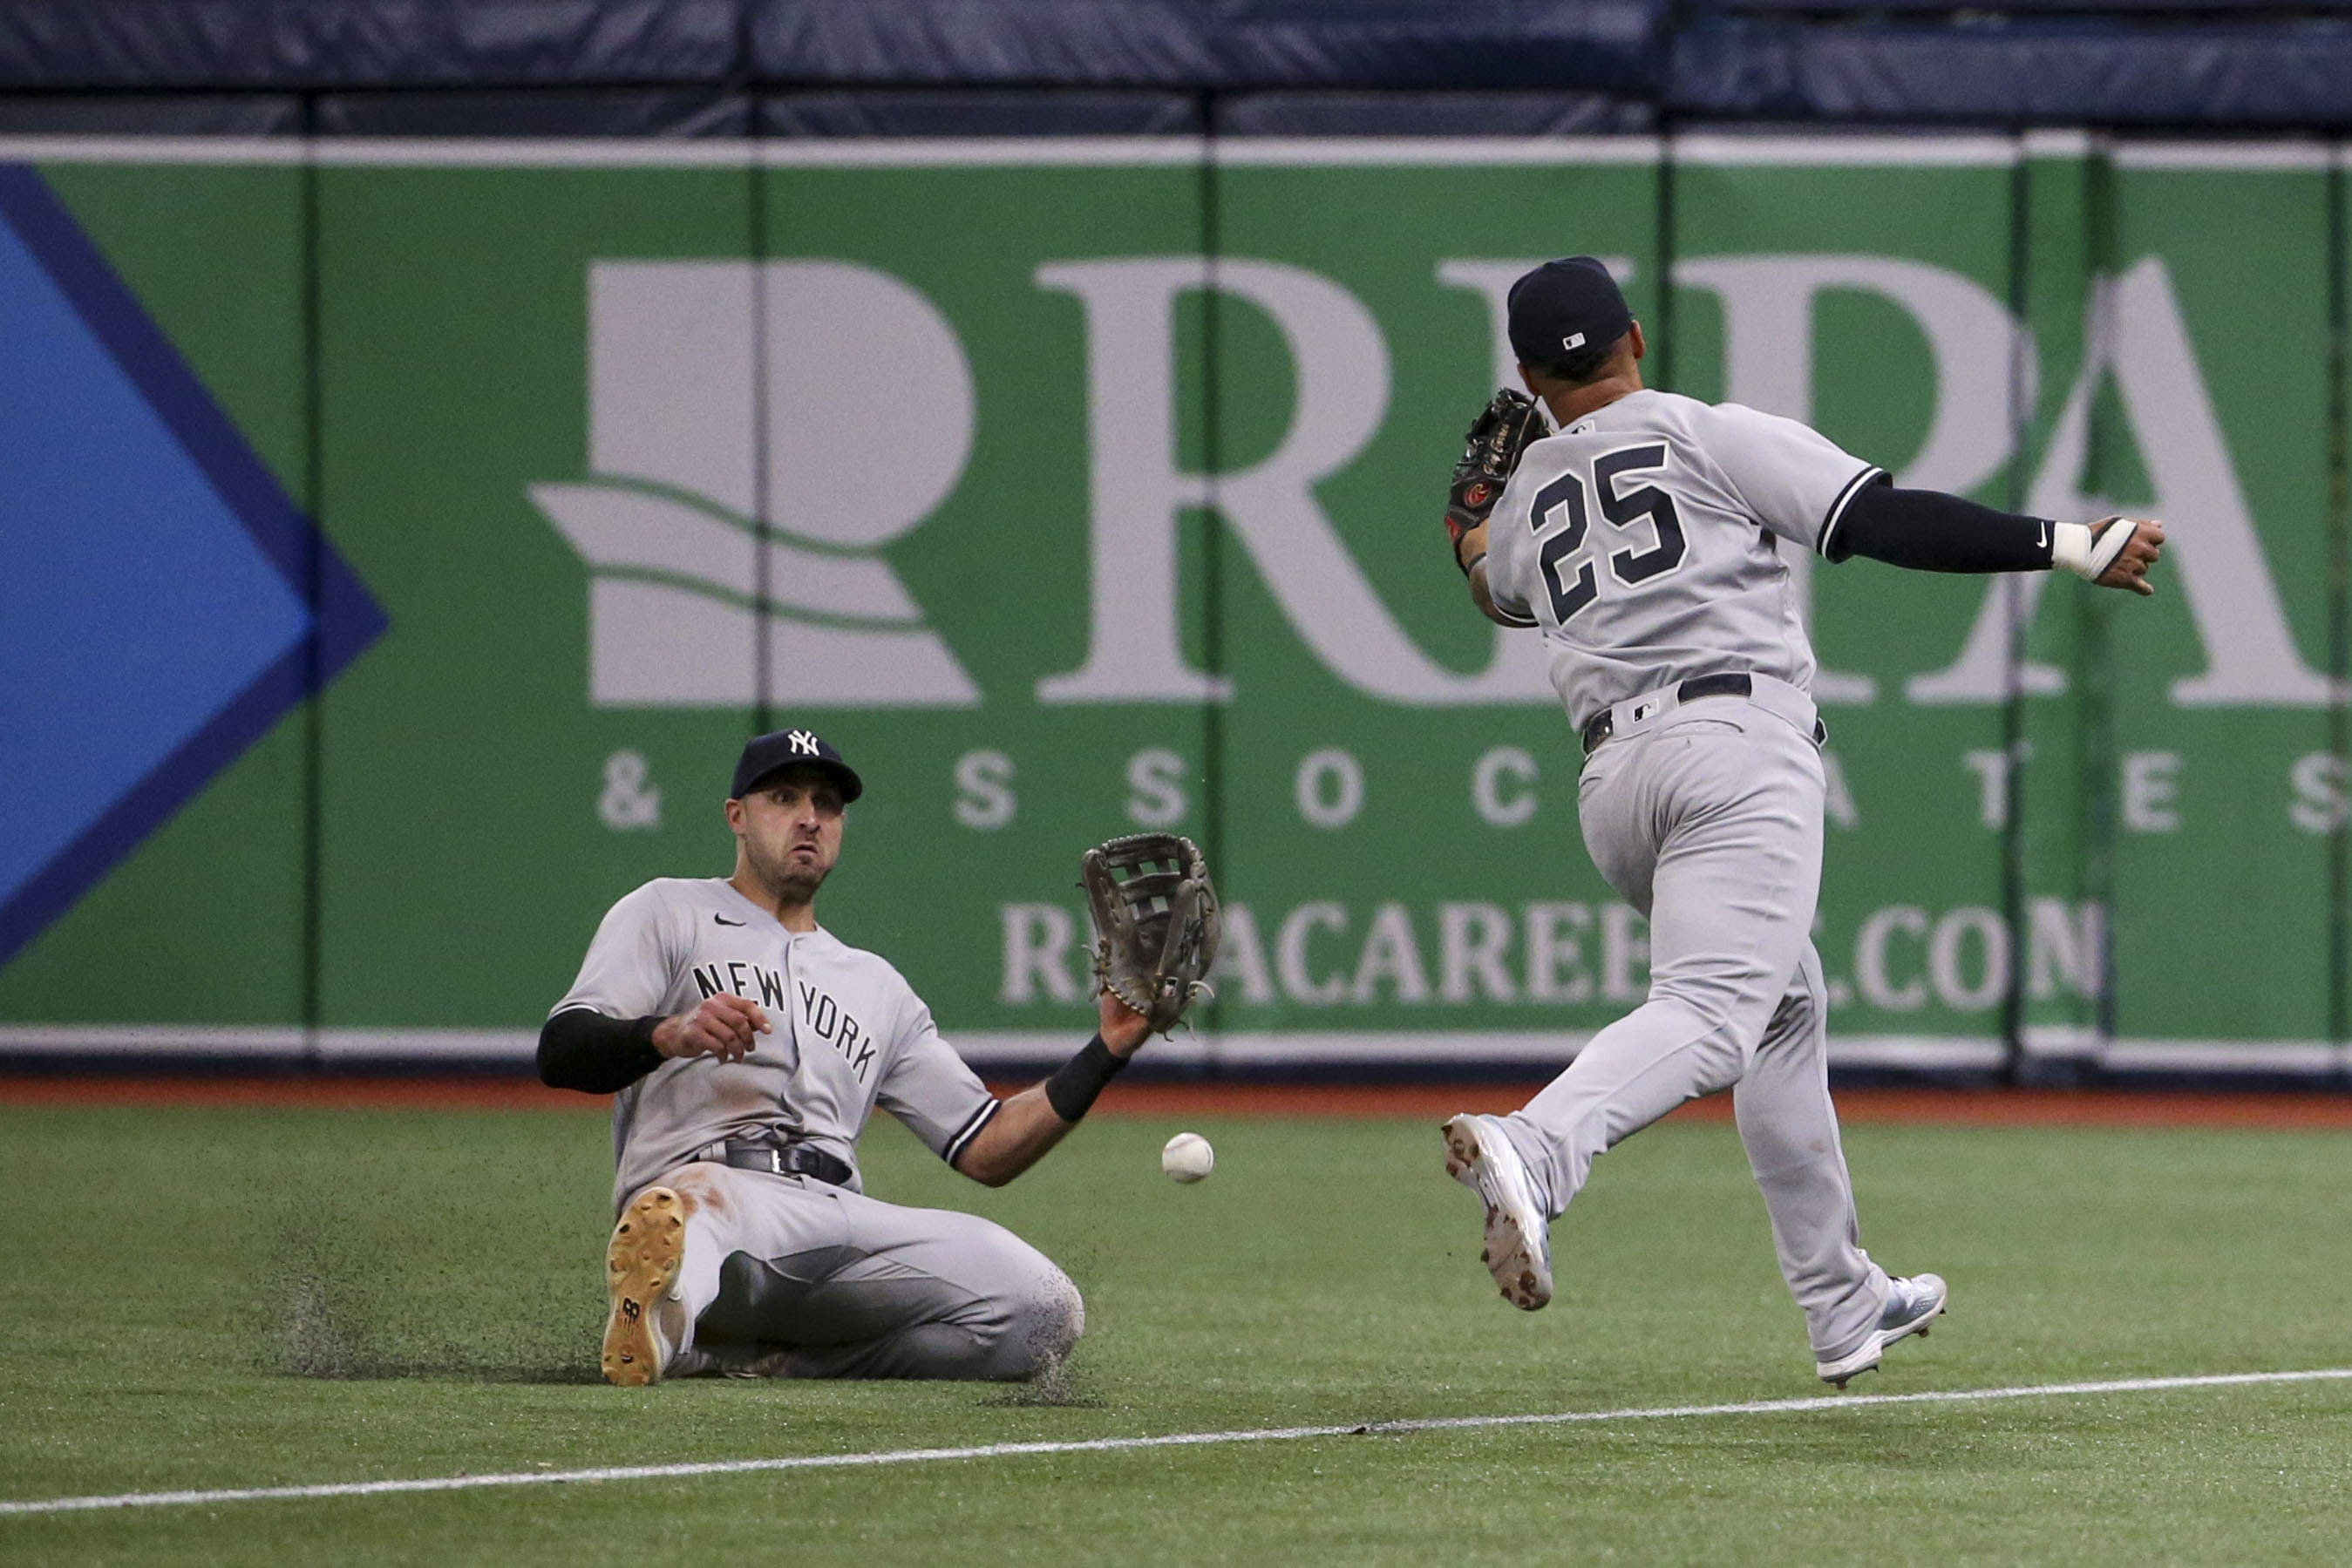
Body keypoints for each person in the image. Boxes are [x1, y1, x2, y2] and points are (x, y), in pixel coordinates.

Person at [1439, 256, 2163, 1387]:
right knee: (1716, 1012)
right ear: (1636, 333)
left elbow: (1490, 583)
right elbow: (1878, 519)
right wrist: (2069, 543)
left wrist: (1469, 516)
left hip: (1614, 786)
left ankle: (1840, 1300)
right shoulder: (1702, 431)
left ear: (1530, 377)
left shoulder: (1531, 496)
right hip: (1732, 743)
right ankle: (1537, 1144)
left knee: (1780, 1008)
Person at [539, 726, 1150, 1385]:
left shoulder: (877, 985)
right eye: (784, 796)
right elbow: (564, 1050)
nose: (809, 817)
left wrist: (1108, 1048)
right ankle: (663, 1320)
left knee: (1044, 1310)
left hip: (837, 1223)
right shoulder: (669, 911)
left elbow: (989, 1144)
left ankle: (771, 1361)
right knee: (689, 1219)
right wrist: (669, 1033)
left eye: (827, 803)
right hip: (713, 1193)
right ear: (736, 816)